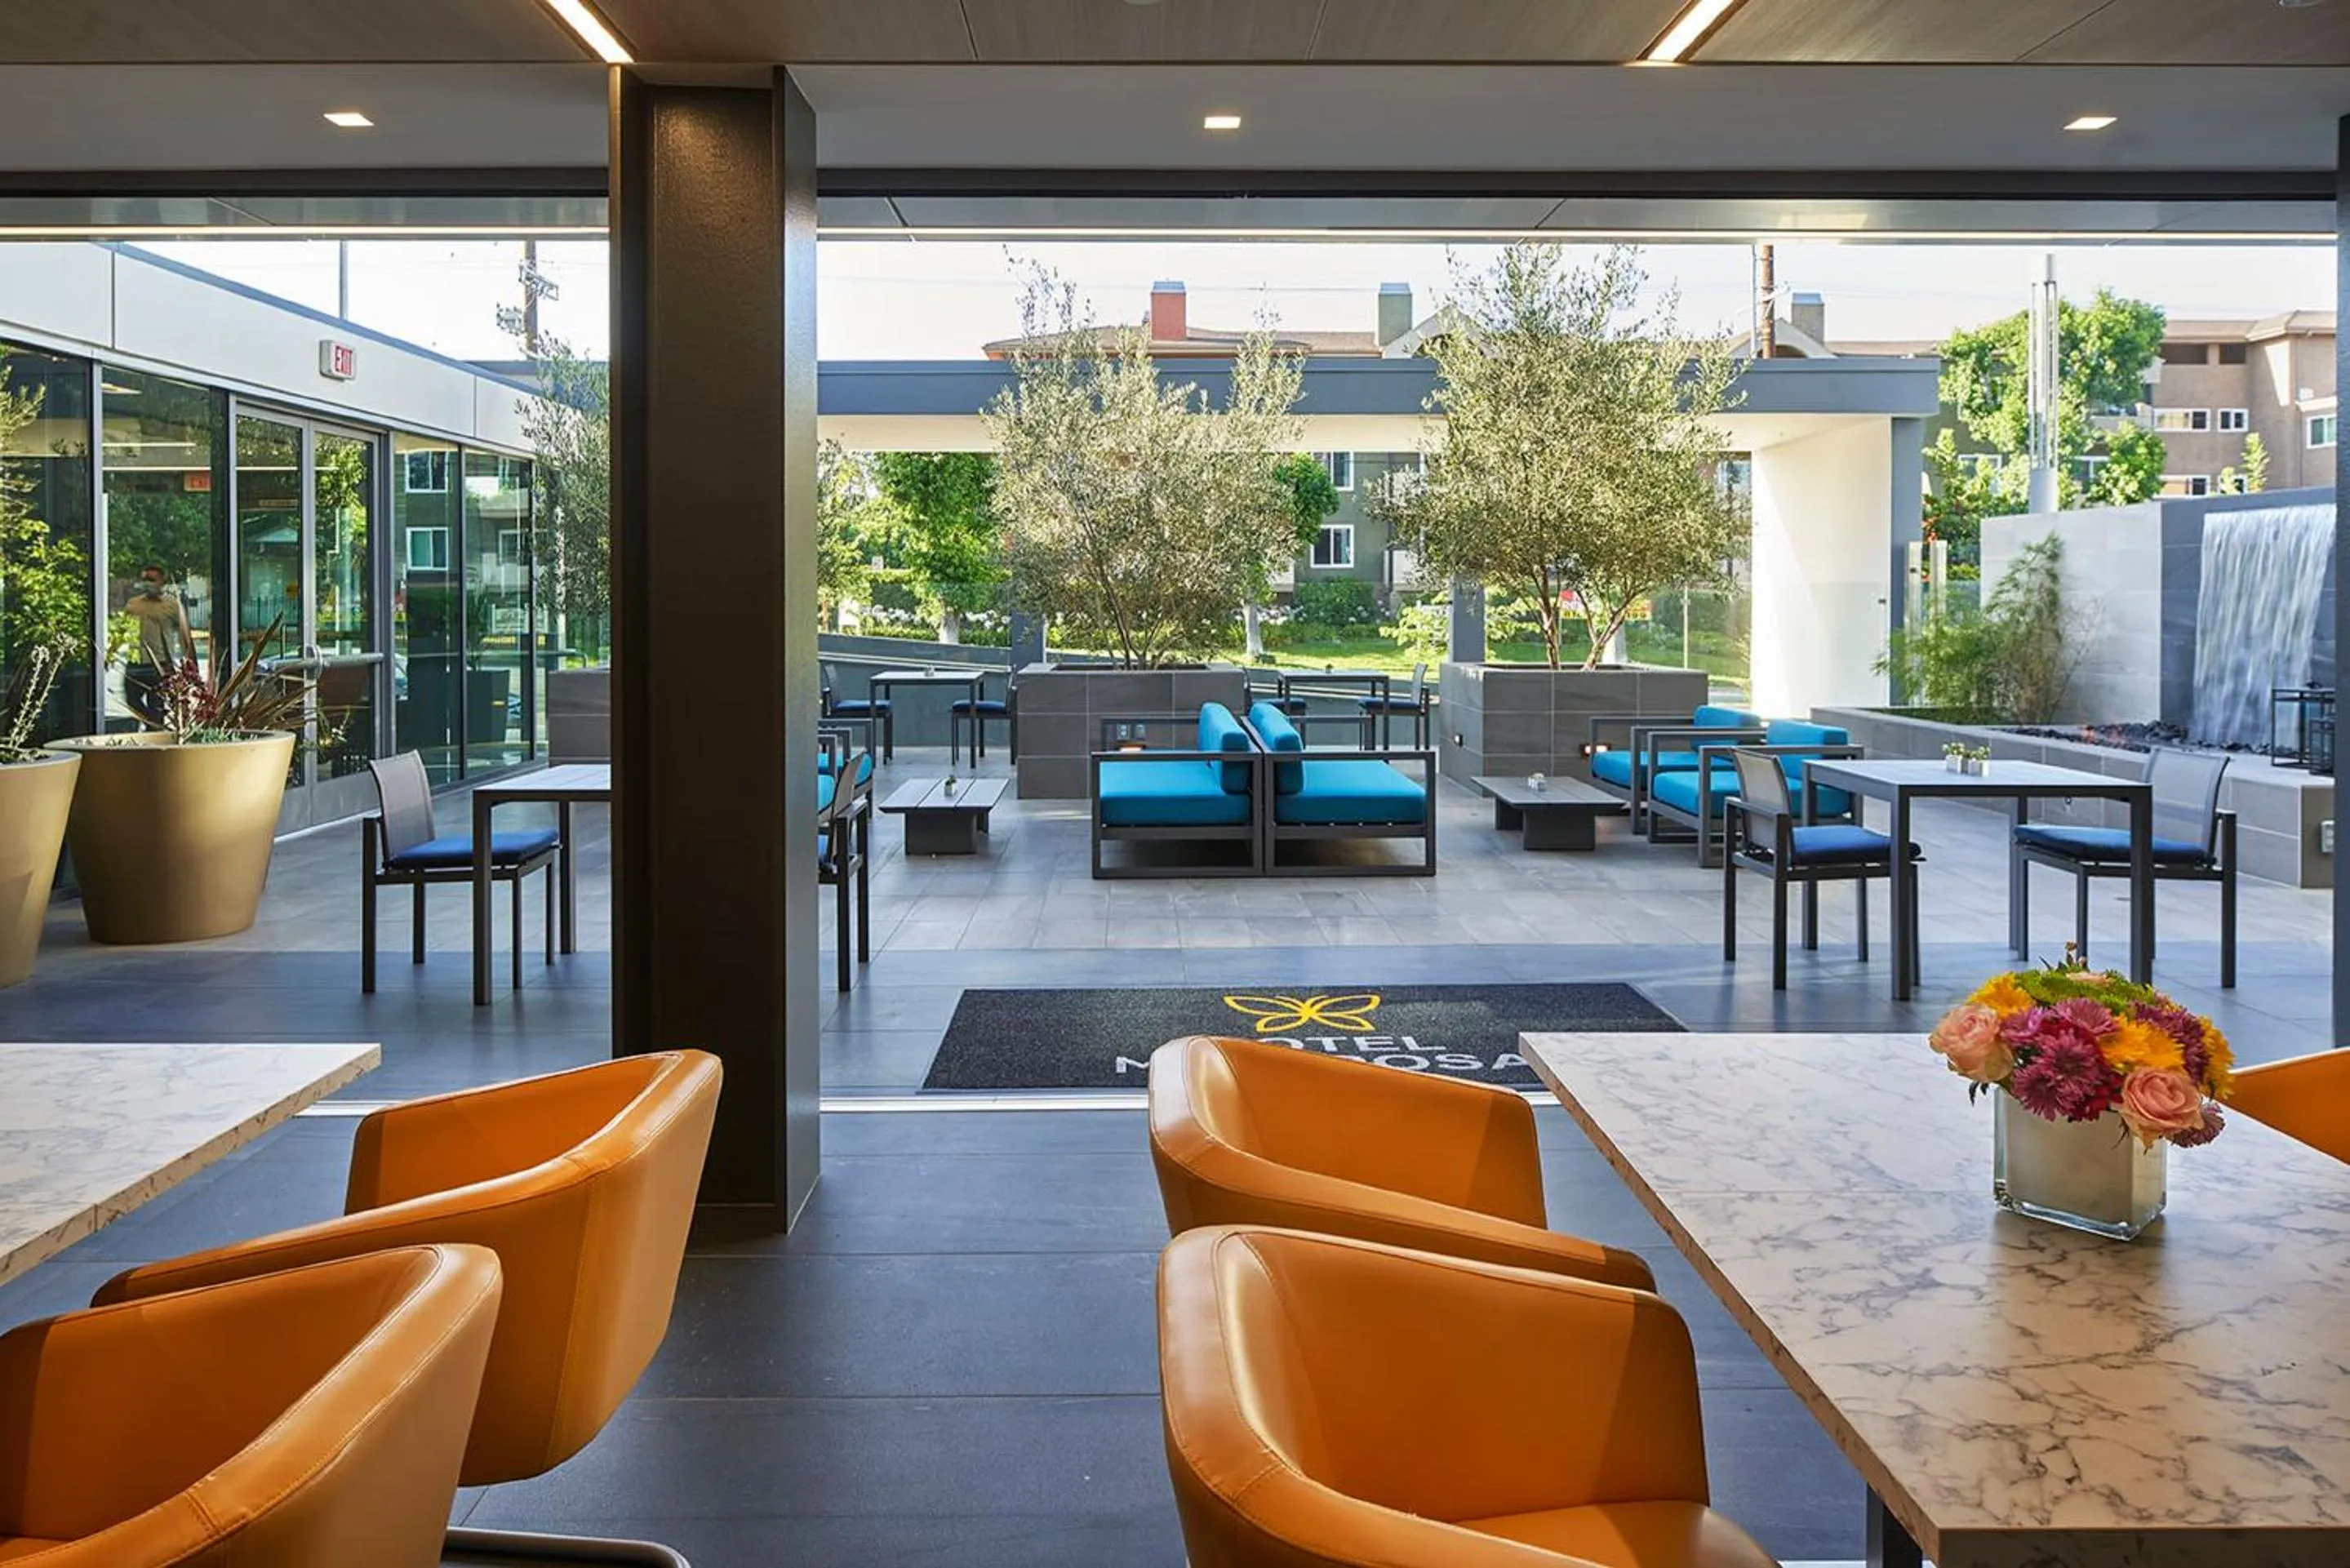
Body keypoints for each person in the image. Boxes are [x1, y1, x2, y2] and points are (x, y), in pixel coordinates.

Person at [122, 564, 193, 723]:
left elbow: (184, 634)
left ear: (162, 581)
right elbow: (122, 631)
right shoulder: (133, 605)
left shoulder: (172, 605)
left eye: (152, 580)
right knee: (132, 702)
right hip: (137, 663)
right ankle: (152, 724)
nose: (148, 583)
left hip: (161, 665)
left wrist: (187, 662)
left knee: (158, 706)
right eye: (145, 579)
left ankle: (154, 729)